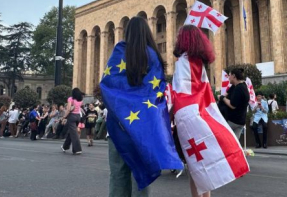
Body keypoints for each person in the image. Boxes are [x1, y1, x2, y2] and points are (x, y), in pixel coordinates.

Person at [101, 16, 183, 197]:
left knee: (117, 174)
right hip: (143, 126)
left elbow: (108, 85)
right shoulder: (153, 56)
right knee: (140, 175)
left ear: (128, 32)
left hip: (118, 125)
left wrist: (122, 110)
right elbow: (156, 93)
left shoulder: (119, 51)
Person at [173, 25, 249, 197]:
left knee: (194, 166)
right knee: (201, 163)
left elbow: (179, 94)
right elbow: (204, 93)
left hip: (187, 118)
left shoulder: (182, 63)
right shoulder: (199, 63)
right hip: (201, 115)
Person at [221, 68, 250, 139]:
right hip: (240, 121)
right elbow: (226, 93)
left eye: (229, 75)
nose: (228, 77)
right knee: (235, 143)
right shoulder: (239, 85)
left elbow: (232, 105)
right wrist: (223, 96)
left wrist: (222, 98)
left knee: (224, 141)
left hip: (233, 121)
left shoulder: (239, 88)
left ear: (234, 76)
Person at [61, 88, 84, 155]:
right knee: (71, 132)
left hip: (72, 116)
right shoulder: (80, 100)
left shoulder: (70, 99)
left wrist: (64, 117)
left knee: (74, 134)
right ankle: (65, 147)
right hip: (78, 116)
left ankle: (77, 149)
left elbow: (68, 110)